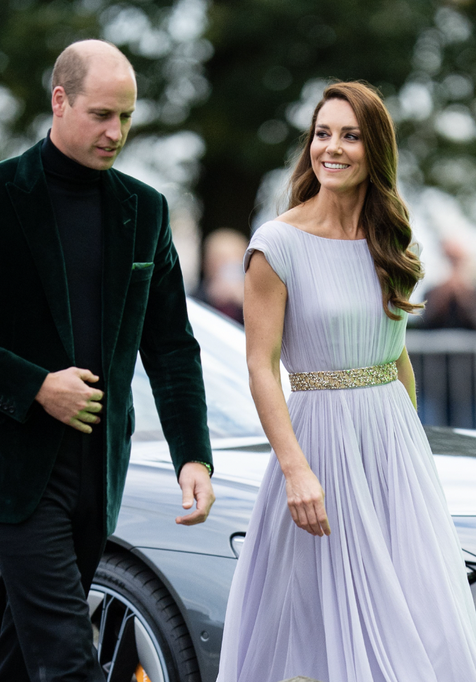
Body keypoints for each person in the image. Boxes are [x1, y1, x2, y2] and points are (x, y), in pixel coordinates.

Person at [0, 39, 215, 682]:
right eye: (102, 114)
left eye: (127, 118)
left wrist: (193, 453)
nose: (116, 132)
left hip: (99, 469)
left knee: (25, 655)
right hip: (12, 471)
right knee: (69, 657)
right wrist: (35, 387)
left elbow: (171, 346)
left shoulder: (147, 210)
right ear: (60, 99)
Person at [216, 82, 476, 682]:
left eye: (350, 135)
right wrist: (295, 470)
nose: (331, 148)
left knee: (419, 618)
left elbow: (398, 354)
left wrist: (413, 448)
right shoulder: (275, 245)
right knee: (317, 631)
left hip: (394, 448)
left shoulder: (393, 238)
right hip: (320, 448)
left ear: (374, 148)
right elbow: (261, 365)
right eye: (322, 133)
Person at [420, 237, 476, 329]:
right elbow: (427, 322)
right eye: (450, 260)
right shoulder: (430, 294)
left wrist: (461, 293)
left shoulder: (472, 294)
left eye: (456, 260)